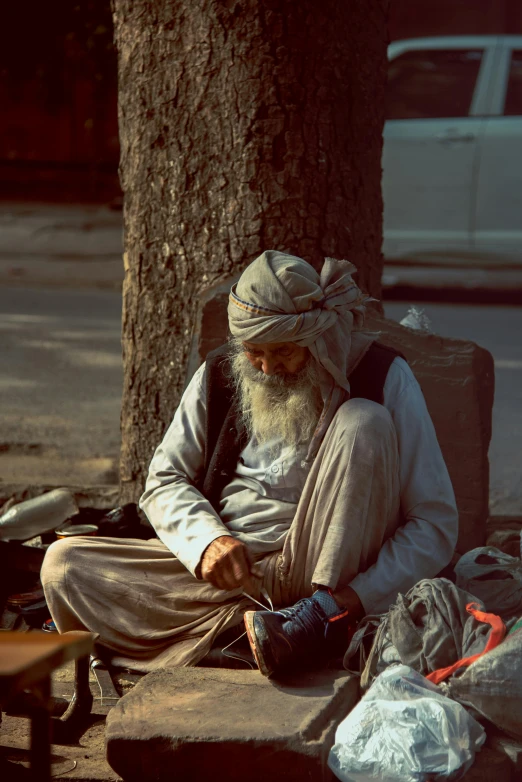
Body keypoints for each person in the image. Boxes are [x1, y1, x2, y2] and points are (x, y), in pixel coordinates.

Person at [41, 250, 458, 678]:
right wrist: (207, 542)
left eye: (284, 352)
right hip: (231, 576)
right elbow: (165, 479)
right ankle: (249, 638)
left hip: (324, 574)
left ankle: (313, 626)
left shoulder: (383, 375)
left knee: (363, 420)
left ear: (318, 338)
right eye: (254, 351)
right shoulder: (222, 371)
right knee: (63, 567)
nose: (268, 368)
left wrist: (353, 597)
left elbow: (434, 524)